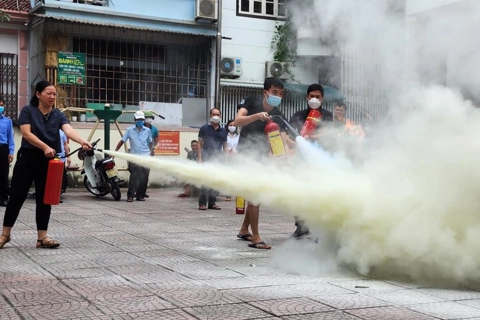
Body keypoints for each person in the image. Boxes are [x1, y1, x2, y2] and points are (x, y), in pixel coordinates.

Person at [0, 81, 93, 249]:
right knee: (16, 197)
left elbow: (68, 131)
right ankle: (5, 235)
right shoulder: (28, 111)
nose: (52, 97)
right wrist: (45, 147)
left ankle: (42, 237)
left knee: (45, 198)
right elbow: (27, 134)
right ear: (38, 94)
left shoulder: (58, 115)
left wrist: (83, 141)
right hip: (28, 157)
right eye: (48, 93)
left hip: (49, 161)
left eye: (54, 94)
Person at [233, 77, 289, 250]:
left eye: (280, 93)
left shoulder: (278, 115)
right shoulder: (251, 102)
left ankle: (244, 229)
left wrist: (283, 156)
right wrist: (256, 116)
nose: (277, 96)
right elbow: (237, 121)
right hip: (246, 156)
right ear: (265, 92)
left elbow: (281, 140)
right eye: (274, 92)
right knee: (255, 196)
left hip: (262, 159)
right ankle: (255, 237)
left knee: (256, 196)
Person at [288, 84, 333, 239]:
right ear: (307, 97)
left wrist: (312, 137)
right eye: (311, 96)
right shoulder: (299, 115)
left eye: (317, 96)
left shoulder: (327, 116)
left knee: (320, 195)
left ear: (322, 98)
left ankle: (322, 231)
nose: (314, 99)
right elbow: (288, 135)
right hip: (301, 161)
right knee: (298, 194)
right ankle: (301, 226)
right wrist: (294, 143)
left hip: (320, 160)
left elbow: (329, 134)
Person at [114, 111, 152, 202]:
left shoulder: (147, 130)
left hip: (145, 156)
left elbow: (150, 142)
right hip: (134, 157)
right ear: (135, 120)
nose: (140, 121)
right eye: (138, 119)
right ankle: (130, 195)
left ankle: (140, 195)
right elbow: (122, 141)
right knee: (134, 176)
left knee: (144, 176)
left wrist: (150, 153)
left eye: (142, 119)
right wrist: (114, 152)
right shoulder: (129, 130)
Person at [197, 108, 227, 210]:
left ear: (221, 116)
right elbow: (199, 144)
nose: (216, 116)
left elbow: (225, 146)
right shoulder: (204, 128)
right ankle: (202, 203)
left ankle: (212, 203)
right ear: (210, 115)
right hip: (206, 157)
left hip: (217, 159)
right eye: (214, 114)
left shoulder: (223, 130)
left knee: (214, 181)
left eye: (218, 114)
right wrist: (200, 158)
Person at [0, 99, 14, 207]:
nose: (1, 107)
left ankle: (4, 197)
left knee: (4, 173)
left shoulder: (7, 121)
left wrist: (11, 152)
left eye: (1, 105)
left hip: (3, 148)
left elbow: (10, 137)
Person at [142, 110, 159, 198]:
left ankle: (143, 192)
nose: (148, 119)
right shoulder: (140, 128)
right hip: (139, 153)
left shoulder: (154, 129)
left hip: (149, 153)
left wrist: (151, 147)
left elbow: (156, 140)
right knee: (136, 173)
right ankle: (135, 191)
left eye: (150, 118)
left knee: (146, 173)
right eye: (147, 118)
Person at [224, 119, 239, 201]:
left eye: (234, 125)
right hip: (227, 158)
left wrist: (236, 152)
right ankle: (228, 194)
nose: (232, 127)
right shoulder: (225, 136)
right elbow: (222, 146)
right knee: (228, 175)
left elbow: (241, 146)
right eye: (230, 125)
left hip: (237, 158)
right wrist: (227, 150)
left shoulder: (239, 137)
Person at [58, 129, 71, 194]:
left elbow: (65, 144)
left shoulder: (62, 133)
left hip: (61, 158)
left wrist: (68, 156)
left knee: (61, 177)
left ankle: (58, 192)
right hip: (51, 158)